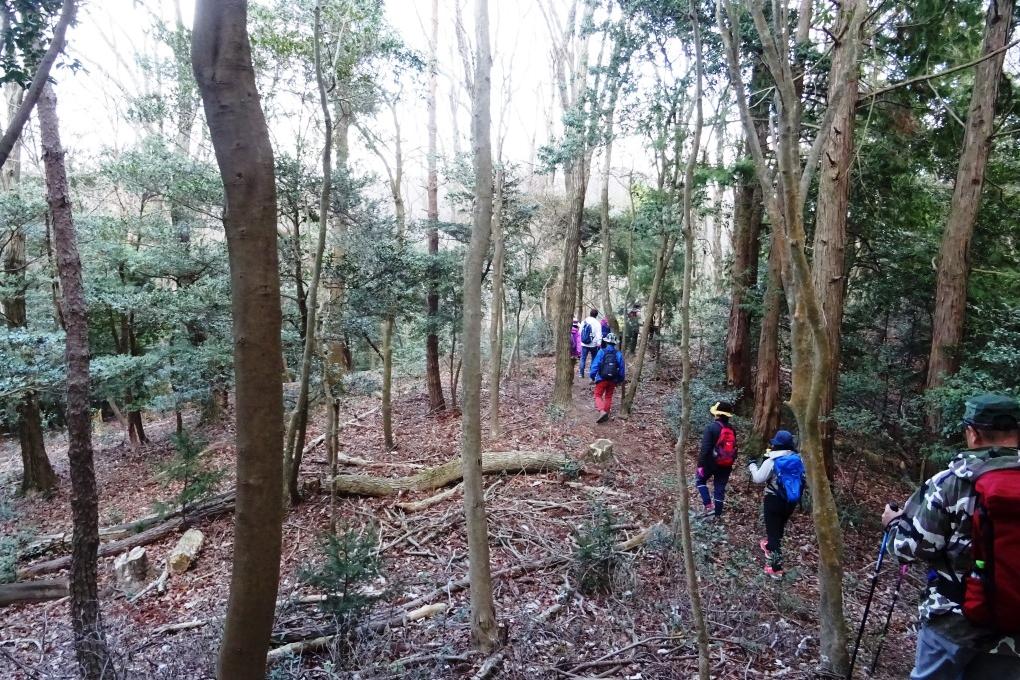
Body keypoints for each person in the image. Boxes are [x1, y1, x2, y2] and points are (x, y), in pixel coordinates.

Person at [882, 394, 1020, 679]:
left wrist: (893, 525)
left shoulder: (951, 483)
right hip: (1013, 630)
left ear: (972, 433)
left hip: (953, 621)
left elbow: (911, 549)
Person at [748, 430, 804, 579]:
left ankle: (776, 568)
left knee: (773, 533)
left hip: (773, 500)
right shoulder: (798, 459)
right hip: (790, 501)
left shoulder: (772, 461)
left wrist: (752, 465)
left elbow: (758, 479)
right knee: (778, 528)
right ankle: (769, 546)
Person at [696, 401, 737, 519]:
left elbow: (705, 449)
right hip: (726, 464)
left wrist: (700, 465)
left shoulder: (711, 428)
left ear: (717, 414)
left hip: (711, 463)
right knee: (720, 488)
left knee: (700, 481)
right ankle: (717, 514)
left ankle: (708, 505)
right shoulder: (732, 429)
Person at [589, 333, 625, 423]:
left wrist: (592, 376)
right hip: (613, 379)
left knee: (597, 395)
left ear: (606, 341)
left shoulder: (601, 352)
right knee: (608, 396)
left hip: (601, 378)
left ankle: (601, 411)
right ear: (615, 343)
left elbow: (595, 365)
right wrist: (619, 380)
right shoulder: (619, 354)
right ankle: (606, 413)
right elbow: (621, 369)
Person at [578, 308, 603, 378]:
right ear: (596, 315)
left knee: (583, 358)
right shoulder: (597, 323)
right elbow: (599, 334)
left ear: (590, 313)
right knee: (594, 358)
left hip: (584, 343)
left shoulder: (584, 321)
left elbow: (580, 332)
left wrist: (581, 340)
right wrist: (599, 343)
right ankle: (591, 373)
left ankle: (581, 373)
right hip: (593, 344)